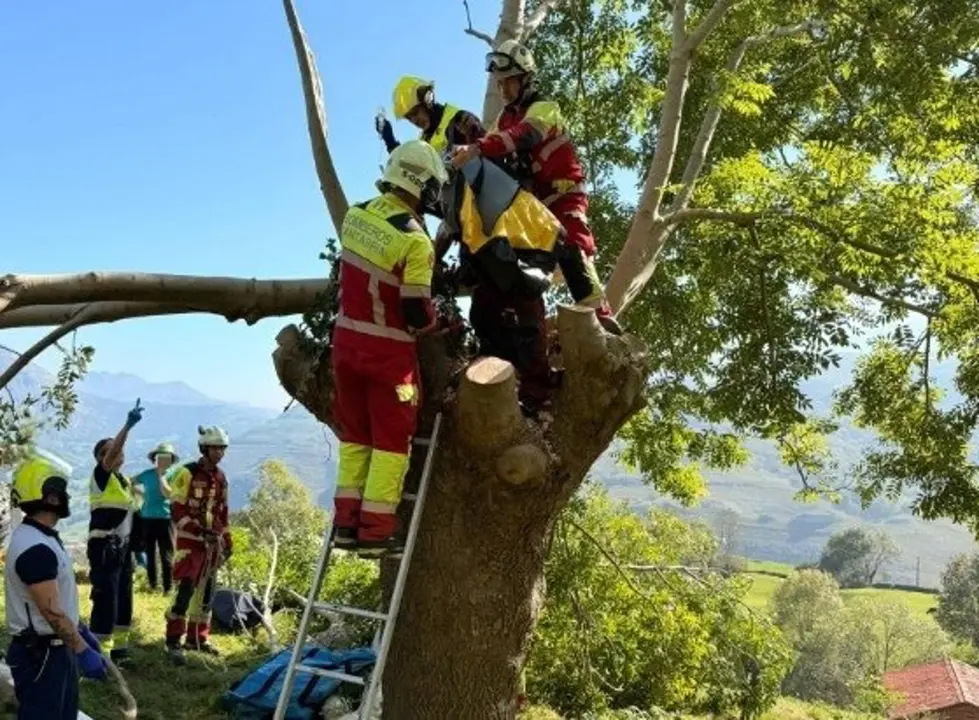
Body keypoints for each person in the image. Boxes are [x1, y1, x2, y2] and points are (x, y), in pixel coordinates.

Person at [451, 40, 624, 336]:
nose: (503, 90)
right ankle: (528, 328)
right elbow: (494, 148)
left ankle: (600, 316)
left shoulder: (545, 108)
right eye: (499, 84)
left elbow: (524, 135)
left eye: (508, 82)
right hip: (534, 204)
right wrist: (471, 135)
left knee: (573, 242)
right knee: (522, 262)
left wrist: (477, 146)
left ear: (525, 78)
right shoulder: (505, 117)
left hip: (564, 193)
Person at [332, 139, 446, 558]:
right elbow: (416, 310)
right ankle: (376, 533)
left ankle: (346, 525)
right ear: (423, 185)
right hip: (387, 356)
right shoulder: (416, 241)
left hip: (345, 347)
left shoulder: (355, 216)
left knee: (355, 438)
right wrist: (436, 322)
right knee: (391, 444)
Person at [440, 149, 562, 413]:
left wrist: (438, 262)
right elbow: (465, 234)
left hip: (524, 250)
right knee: (485, 316)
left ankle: (536, 391)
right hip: (501, 254)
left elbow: (462, 231)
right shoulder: (471, 183)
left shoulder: (472, 182)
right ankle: (503, 378)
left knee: (526, 320)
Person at [5, 452, 108, 719]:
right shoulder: (35, 548)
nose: (67, 497)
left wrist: (80, 628)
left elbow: (57, 598)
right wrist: (82, 650)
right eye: (62, 491)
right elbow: (50, 612)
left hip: (54, 649)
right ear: (51, 497)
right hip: (42, 655)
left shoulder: (41, 538)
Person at [164, 425, 232, 664]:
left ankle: (197, 638)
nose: (219, 453)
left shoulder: (221, 477)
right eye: (215, 448)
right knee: (185, 589)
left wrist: (227, 540)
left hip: (213, 546)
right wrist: (199, 531)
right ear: (204, 448)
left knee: (207, 593)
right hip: (190, 543)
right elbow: (177, 509)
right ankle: (173, 640)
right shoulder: (187, 473)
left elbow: (222, 513)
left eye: (222, 449)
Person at [377, 76, 485, 219]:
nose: (414, 121)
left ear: (428, 99)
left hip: (483, 202)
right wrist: (390, 141)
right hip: (458, 213)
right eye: (409, 118)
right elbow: (413, 175)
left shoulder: (459, 120)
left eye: (415, 113)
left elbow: (485, 152)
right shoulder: (423, 142)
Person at [88, 398, 144, 667]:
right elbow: (112, 454)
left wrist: (138, 547)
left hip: (122, 547)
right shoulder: (101, 477)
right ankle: (100, 657)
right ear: (102, 458)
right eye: (110, 451)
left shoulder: (122, 481)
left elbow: (132, 514)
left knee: (123, 598)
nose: (117, 452)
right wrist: (127, 427)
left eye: (118, 449)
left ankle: (120, 650)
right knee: (106, 599)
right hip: (104, 547)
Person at [131, 441, 177, 593]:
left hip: (166, 519)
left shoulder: (174, 475)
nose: (162, 460)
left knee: (166, 555)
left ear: (171, 460)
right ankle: (152, 585)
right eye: (160, 457)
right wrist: (142, 494)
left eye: (166, 457)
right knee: (149, 553)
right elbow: (130, 482)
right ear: (155, 458)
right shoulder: (146, 474)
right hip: (147, 519)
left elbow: (168, 493)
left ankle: (168, 587)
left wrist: (161, 476)